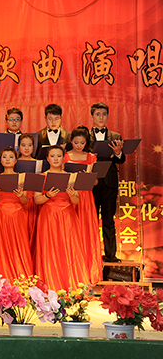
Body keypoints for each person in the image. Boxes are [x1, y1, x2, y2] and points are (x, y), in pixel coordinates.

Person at [34, 145, 89, 290]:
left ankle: (69, 284)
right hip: (48, 216)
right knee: (50, 249)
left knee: (68, 247)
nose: (55, 159)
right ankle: (50, 284)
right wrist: (47, 195)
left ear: (63, 158)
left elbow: (76, 200)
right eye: (52, 156)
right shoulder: (41, 177)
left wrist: (72, 195)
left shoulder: (71, 176)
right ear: (47, 158)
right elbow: (36, 200)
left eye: (59, 156)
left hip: (67, 215)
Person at [65, 126, 102, 283]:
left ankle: (87, 270)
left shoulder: (91, 157)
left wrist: (88, 177)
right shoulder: (65, 156)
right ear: (71, 141)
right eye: (76, 142)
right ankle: (70, 270)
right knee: (71, 230)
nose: (79, 145)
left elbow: (96, 182)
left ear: (86, 143)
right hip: (70, 193)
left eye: (82, 143)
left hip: (86, 195)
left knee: (85, 229)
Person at [0, 147, 32, 278]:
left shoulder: (22, 178)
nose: (7, 159)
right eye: (4, 157)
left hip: (17, 213)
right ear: (1, 160)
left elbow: (25, 202)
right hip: (0, 213)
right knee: (0, 244)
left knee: (19, 243)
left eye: (11, 157)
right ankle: (1, 275)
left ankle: (21, 274)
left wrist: (20, 196)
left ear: (16, 160)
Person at [89, 102, 125, 263]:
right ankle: (91, 255)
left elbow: (121, 160)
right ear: (92, 116)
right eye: (98, 114)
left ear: (108, 116)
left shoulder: (116, 136)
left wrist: (118, 153)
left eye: (104, 114)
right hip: (91, 182)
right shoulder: (85, 136)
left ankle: (111, 255)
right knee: (91, 220)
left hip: (110, 183)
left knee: (108, 220)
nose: (101, 117)